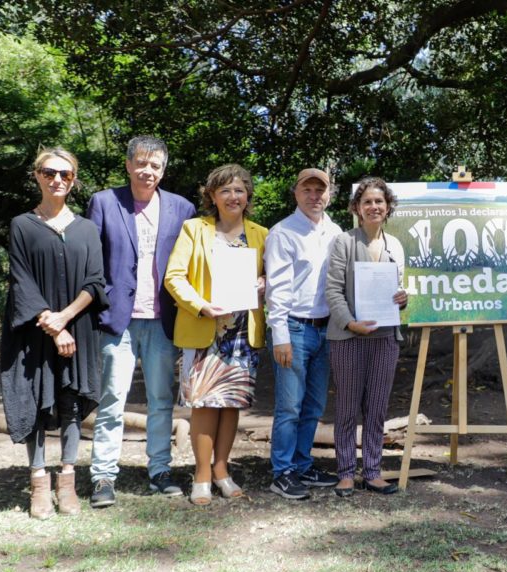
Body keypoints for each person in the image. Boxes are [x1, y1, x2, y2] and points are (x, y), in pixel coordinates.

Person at [87, 135, 196, 508]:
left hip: (163, 319)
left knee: (161, 399)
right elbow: (92, 262)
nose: (147, 171)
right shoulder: (103, 202)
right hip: (118, 320)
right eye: (142, 163)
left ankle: (160, 471)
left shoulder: (182, 208)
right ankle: (103, 476)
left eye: (155, 165)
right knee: (112, 398)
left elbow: (195, 264)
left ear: (163, 170)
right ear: (129, 164)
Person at [1, 147, 108, 519]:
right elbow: (21, 280)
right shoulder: (21, 225)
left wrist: (64, 319)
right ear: (37, 175)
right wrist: (49, 321)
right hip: (33, 329)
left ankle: (67, 481)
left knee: (71, 401)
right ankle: (38, 482)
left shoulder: (87, 228)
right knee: (36, 400)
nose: (57, 179)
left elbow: (96, 282)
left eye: (65, 174)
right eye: (49, 172)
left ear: (74, 180)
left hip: (78, 327)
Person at [164, 164, 268, 505]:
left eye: (239, 190)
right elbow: (174, 277)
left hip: (242, 331)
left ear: (248, 195)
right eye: (224, 190)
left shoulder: (262, 235)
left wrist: (265, 283)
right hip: (205, 328)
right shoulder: (194, 229)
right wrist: (201, 306)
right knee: (205, 404)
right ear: (212, 196)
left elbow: (272, 277)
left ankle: (222, 470)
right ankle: (202, 474)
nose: (233, 196)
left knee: (232, 404)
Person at [325, 178, 409, 497]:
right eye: (367, 202)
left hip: (385, 336)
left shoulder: (395, 246)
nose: (374, 207)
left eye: (379, 201)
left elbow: (398, 289)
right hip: (348, 337)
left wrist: (403, 298)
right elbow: (332, 290)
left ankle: (372, 471)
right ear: (357, 208)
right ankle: (346, 472)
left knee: (376, 407)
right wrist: (350, 323)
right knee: (347, 406)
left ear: (388, 207)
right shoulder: (344, 242)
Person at [265, 168, 343, 499]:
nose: (314, 196)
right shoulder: (283, 233)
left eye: (320, 190)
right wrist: (280, 334)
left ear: (330, 194)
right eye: (307, 190)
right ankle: (281, 472)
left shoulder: (336, 231)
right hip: (294, 327)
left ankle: (302, 464)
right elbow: (276, 289)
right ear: (296, 193)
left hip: (327, 328)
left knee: (313, 405)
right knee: (290, 406)